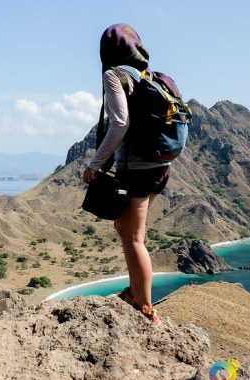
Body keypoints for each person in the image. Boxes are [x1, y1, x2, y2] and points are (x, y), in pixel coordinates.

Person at [82, 24, 170, 324]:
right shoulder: (151, 77)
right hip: (161, 167)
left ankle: (146, 309)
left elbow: (120, 124)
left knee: (132, 237)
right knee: (127, 228)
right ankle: (135, 293)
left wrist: (95, 164)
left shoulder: (115, 75)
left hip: (138, 169)